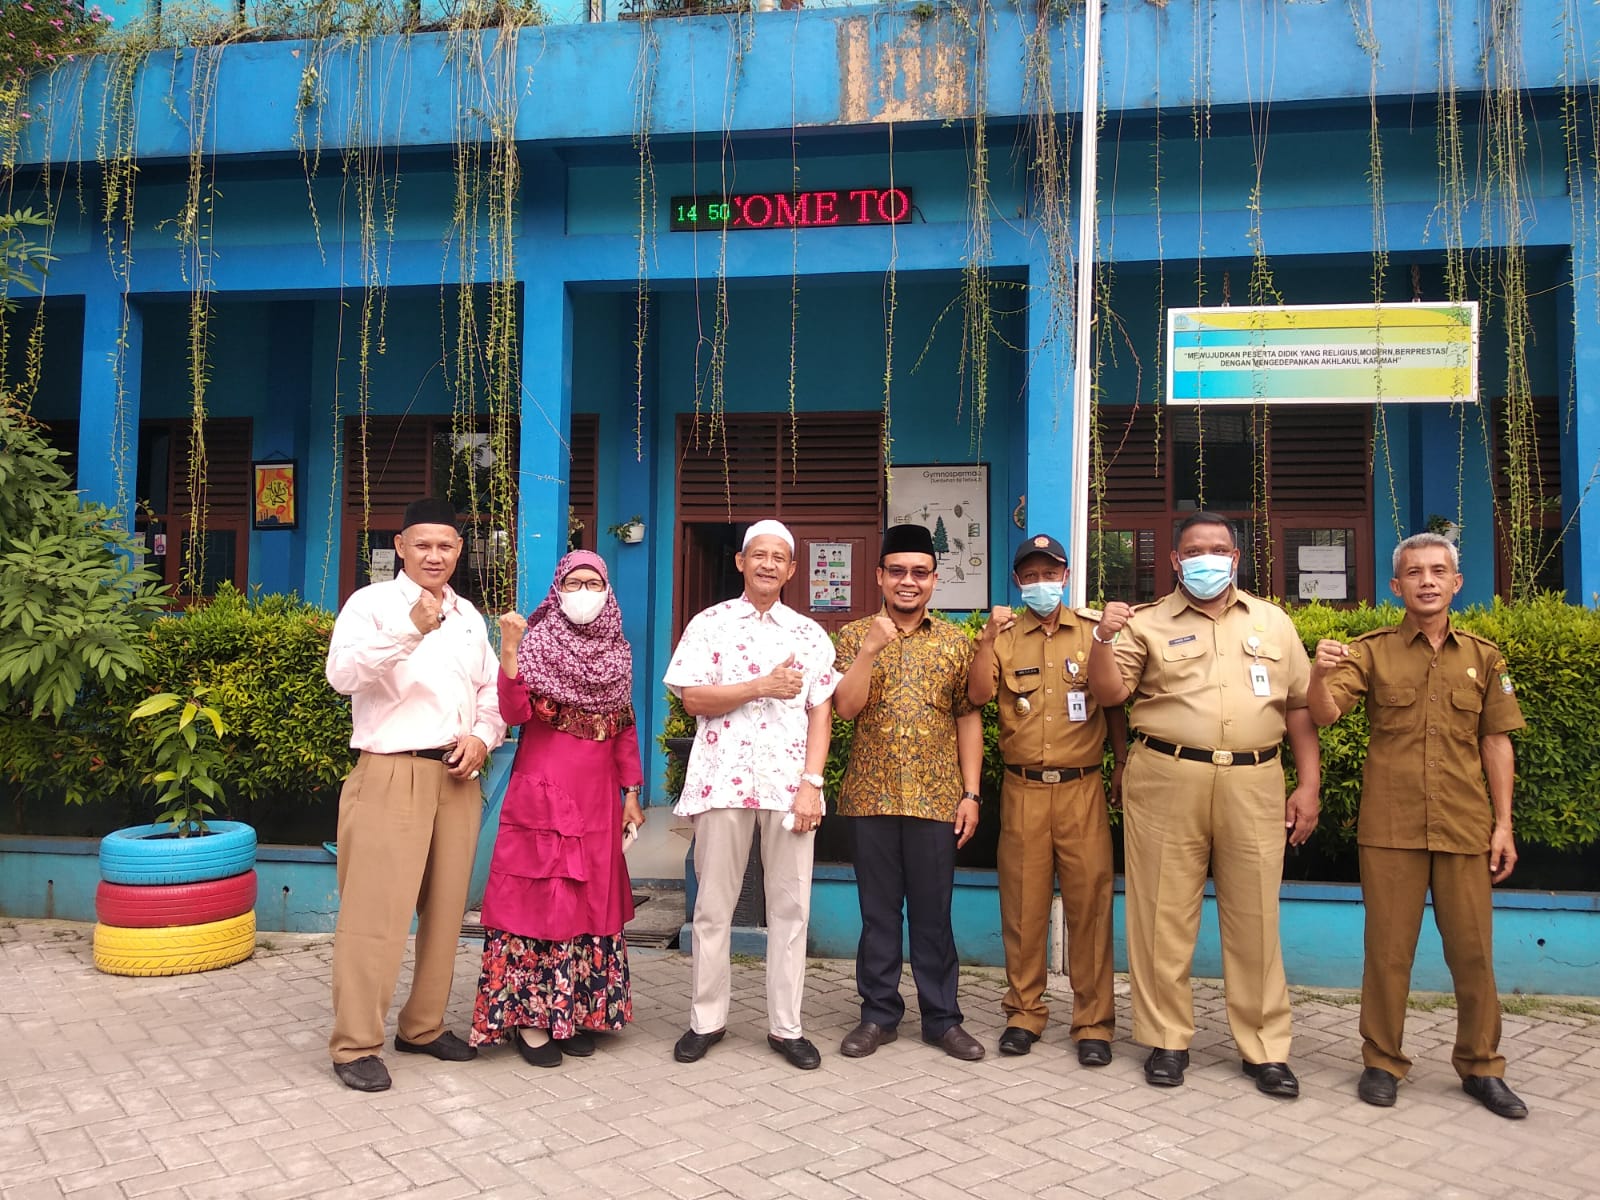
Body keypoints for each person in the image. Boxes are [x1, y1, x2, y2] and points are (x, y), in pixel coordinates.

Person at [1086, 511, 1320, 1098]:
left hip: (1255, 779)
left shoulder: (1272, 621)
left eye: (1218, 549)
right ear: (1174, 560)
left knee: (1256, 917)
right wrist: (1101, 639)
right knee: (1162, 912)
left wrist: (1308, 784)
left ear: (1236, 558)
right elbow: (1110, 694)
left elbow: (1298, 708)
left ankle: (1264, 1048)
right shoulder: (1146, 623)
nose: (1207, 559)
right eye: (1194, 551)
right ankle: (1167, 1039)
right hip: (1167, 774)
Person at [1306, 532, 1528, 1119]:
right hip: (1391, 825)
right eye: (1414, 572)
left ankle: (1481, 1067)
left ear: (1456, 583)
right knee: (1387, 953)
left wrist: (1503, 825)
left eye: (1437, 571)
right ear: (1395, 585)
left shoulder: (1484, 656)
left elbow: (1496, 742)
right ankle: (1382, 1062)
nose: (1426, 580)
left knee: (1473, 953)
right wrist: (1315, 674)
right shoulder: (1370, 651)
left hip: (1464, 825)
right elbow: (1326, 715)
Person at [324, 496, 506, 1093]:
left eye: (446, 545)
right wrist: (410, 629)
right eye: (422, 544)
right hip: (390, 771)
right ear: (400, 546)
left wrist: (482, 737)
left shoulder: (469, 616)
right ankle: (355, 1044)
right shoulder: (372, 605)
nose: (435, 555)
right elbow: (343, 676)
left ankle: (423, 1027)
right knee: (374, 913)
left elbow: (490, 692)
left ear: (459, 550)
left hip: (456, 778)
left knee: (447, 911)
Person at [664, 520, 837, 1070]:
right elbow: (693, 698)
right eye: (757, 555)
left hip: (789, 788)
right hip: (722, 779)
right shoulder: (708, 625)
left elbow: (821, 712)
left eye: (778, 557)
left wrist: (812, 785)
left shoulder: (809, 634)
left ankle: (787, 1027)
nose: (768, 564)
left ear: (791, 570)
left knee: (791, 909)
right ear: (741, 562)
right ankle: (706, 1020)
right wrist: (761, 686)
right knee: (713, 906)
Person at [470, 550, 646, 1069]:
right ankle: (530, 1020)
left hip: (597, 800)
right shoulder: (538, 643)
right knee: (539, 901)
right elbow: (514, 712)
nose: (585, 593)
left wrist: (632, 791)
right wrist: (509, 651)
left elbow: (623, 727)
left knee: (588, 901)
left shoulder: (617, 652)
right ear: (558, 587)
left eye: (594, 583)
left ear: (608, 592)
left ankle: (573, 1013)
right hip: (544, 790)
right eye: (575, 583)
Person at [968, 533, 1125, 1064]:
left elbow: (1115, 704)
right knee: (1022, 907)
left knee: (1090, 907)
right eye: (1030, 576)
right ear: (1018, 581)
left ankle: (1093, 1024)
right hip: (1023, 788)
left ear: (1065, 576)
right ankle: (1025, 1013)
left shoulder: (1093, 631)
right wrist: (987, 639)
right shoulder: (1005, 635)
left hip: (1082, 787)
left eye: (1049, 574)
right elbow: (978, 695)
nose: (1041, 583)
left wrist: (1122, 762)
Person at [833, 523, 986, 1062]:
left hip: (936, 799)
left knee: (932, 913)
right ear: (879, 576)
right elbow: (845, 709)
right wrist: (870, 651)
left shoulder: (954, 642)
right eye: (897, 571)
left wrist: (971, 794)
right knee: (877, 915)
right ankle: (877, 1015)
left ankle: (942, 1019)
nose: (908, 582)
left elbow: (969, 718)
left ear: (934, 581)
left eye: (919, 573)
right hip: (871, 799)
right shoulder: (853, 637)